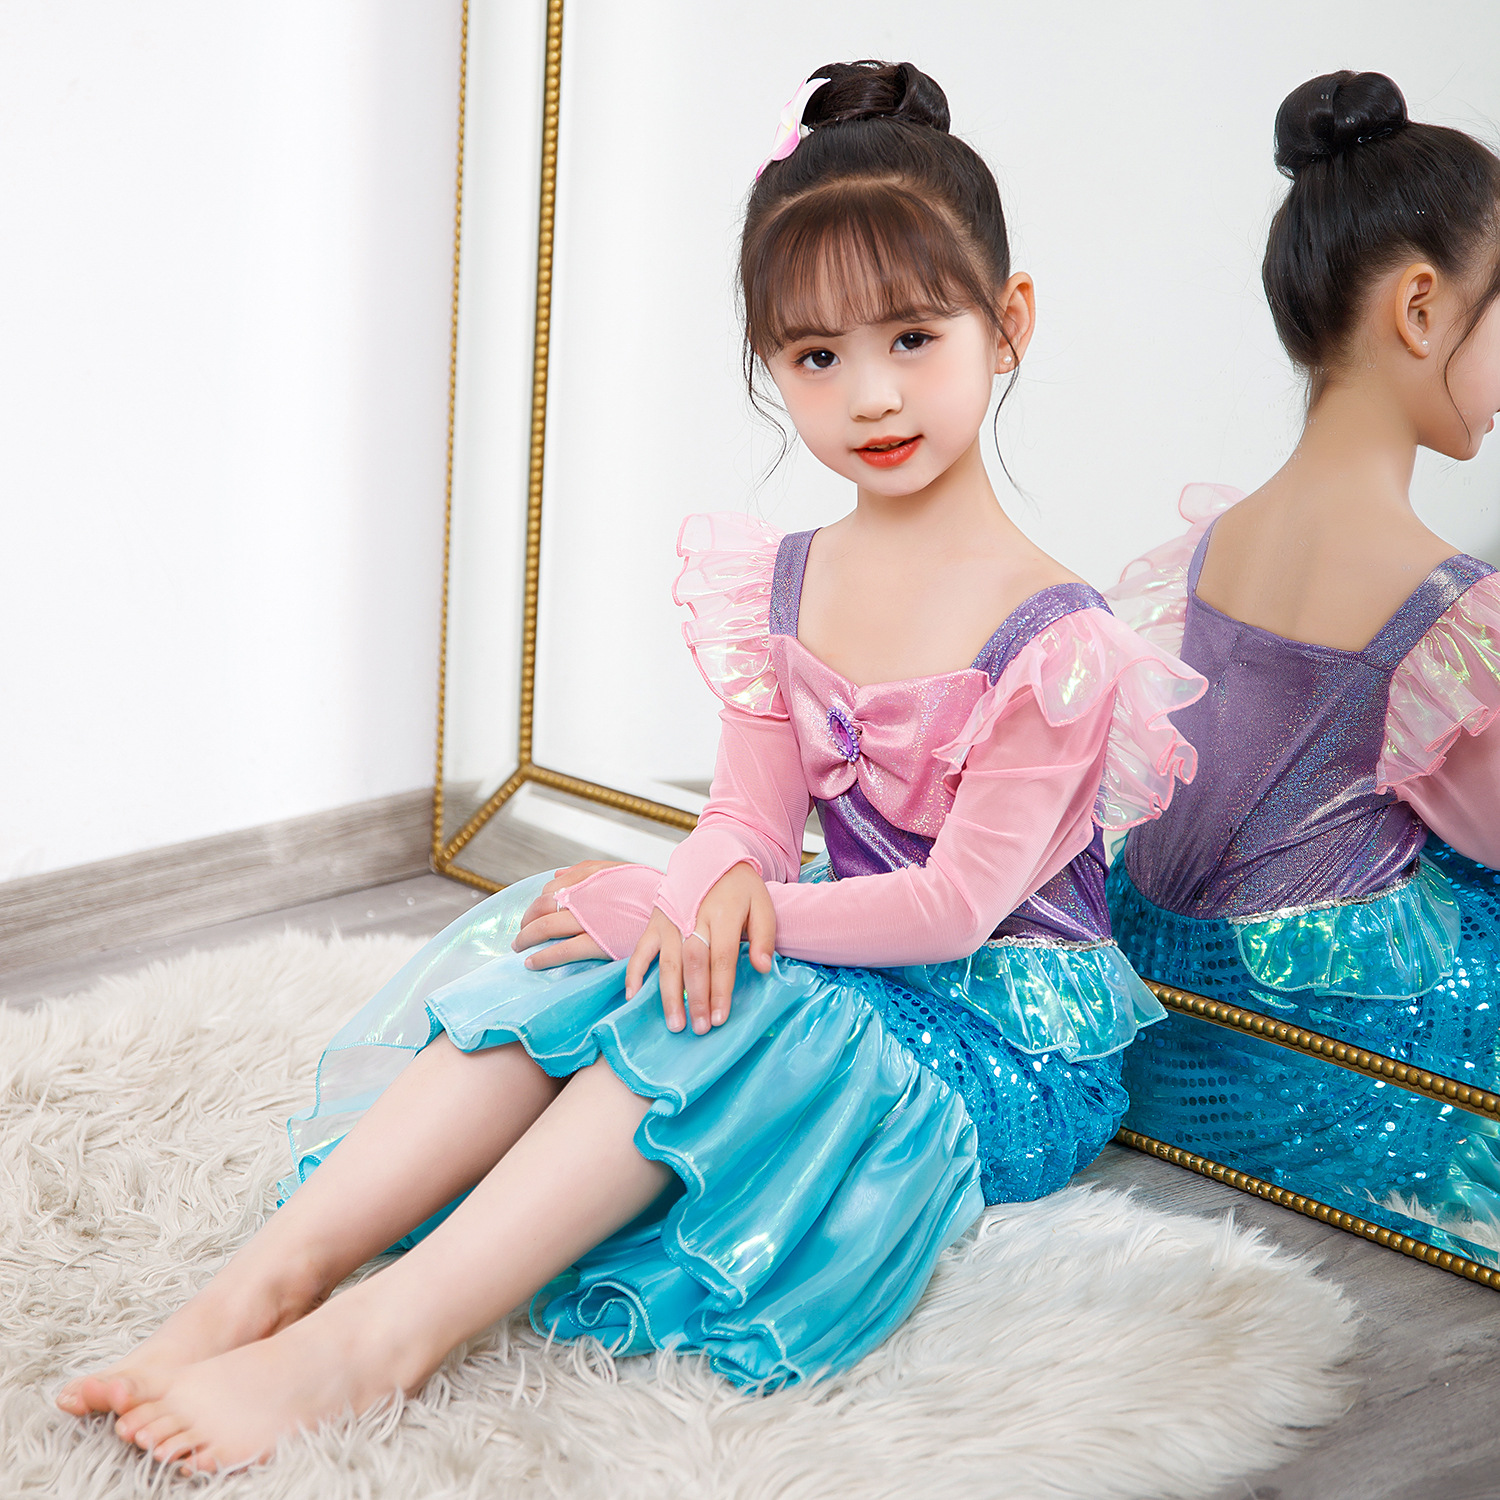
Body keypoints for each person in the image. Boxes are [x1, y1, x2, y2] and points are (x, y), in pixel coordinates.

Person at [57, 60, 1203, 1471]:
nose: (871, 394)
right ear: (770, 364)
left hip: (1000, 1031)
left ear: (1007, 322)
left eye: (914, 337)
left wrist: (688, 912)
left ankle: (380, 1340)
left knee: (719, 991)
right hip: (844, 949)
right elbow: (747, 820)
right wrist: (676, 898)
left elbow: (952, 909)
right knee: (578, 952)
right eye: (817, 357)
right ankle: (262, 1284)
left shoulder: (1059, 640)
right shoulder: (781, 582)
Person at [1106, 72, 1500, 1265]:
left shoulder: (1215, 542)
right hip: (1303, 1060)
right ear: (1421, 309)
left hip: (1156, 1006)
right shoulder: (1445, 606)